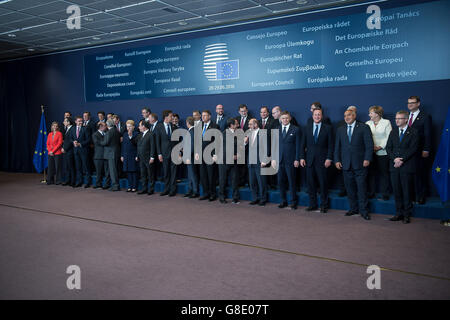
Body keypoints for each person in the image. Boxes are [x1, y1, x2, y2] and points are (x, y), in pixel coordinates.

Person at [334, 109, 374, 220]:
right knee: (350, 189)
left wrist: (367, 159)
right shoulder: (340, 130)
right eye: (345, 115)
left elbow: (369, 145)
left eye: (349, 115)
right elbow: (337, 147)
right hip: (346, 165)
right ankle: (353, 209)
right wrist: (336, 160)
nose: (346, 117)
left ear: (354, 115)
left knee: (361, 189)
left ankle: (364, 211)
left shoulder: (364, 127)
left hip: (360, 164)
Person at [386, 110, 419, 224]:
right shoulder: (393, 132)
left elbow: (413, 149)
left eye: (399, 118)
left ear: (406, 119)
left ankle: (406, 215)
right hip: (394, 166)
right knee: (397, 191)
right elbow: (388, 148)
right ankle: (398, 213)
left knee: (406, 191)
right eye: (396, 118)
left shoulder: (414, 132)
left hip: (407, 166)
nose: (397, 120)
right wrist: (395, 159)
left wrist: (402, 159)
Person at [300, 109, 334, 213]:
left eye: (319, 115)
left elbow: (331, 146)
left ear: (322, 116)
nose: (317, 116)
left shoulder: (328, 128)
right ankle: (312, 204)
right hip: (309, 161)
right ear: (312, 115)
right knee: (311, 184)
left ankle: (324, 205)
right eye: (315, 115)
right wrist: (301, 157)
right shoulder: (307, 128)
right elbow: (302, 145)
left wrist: (329, 158)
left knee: (323, 184)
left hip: (323, 161)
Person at [272, 111, 301, 210]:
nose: (285, 120)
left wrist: (297, 159)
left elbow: (298, 146)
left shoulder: (296, 129)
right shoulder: (277, 129)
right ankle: (283, 201)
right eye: (283, 118)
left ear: (290, 119)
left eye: (286, 118)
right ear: (280, 119)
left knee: (291, 182)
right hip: (279, 161)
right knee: (280, 182)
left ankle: (293, 202)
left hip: (291, 160)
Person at [407, 95, 432, 204]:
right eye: (408, 103)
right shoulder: (406, 116)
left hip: (420, 150)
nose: (410, 105)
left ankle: (421, 196)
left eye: (412, 102)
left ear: (418, 104)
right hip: (407, 152)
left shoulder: (425, 116)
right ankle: (411, 196)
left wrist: (426, 149)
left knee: (420, 174)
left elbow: (428, 134)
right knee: (409, 174)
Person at [366, 105, 392, 200]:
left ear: (377, 114)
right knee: (371, 173)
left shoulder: (386, 122)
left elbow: (389, 136)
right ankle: (371, 192)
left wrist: (380, 146)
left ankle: (385, 193)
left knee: (384, 173)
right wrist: (371, 147)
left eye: (371, 113)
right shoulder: (367, 123)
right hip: (371, 152)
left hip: (383, 152)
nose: (369, 115)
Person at [154, 110, 178, 196]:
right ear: (166, 117)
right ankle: (166, 189)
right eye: (171, 116)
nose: (172, 118)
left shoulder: (174, 126)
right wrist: (159, 154)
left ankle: (173, 190)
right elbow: (157, 142)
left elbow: (177, 141)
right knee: (166, 172)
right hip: (164, 153)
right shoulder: (159, 127)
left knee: (173, 172)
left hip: (174, 153)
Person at [218, 118, 240, 204]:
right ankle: (221, 197)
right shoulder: (224, 134)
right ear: (231, 125)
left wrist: (238, 154)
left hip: (234, 161)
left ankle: (235, 197)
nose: (238, 125)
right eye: (236, 124)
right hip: (224, 160)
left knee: (235, 179)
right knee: (223, 179)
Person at [198, 110, 219, 201]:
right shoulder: (200, 126)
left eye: (205, 115)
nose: (203, 117)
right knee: (203, 175)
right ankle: (205, 193)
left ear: (210, 116)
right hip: (201, 155)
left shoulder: (215, 126)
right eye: (202, 115)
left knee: (211, 175)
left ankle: (212, 194)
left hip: (210, 155)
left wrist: (215, 154)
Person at [246, 118, 268, 206]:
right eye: (249, 124)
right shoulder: (248, 133)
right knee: (252, 182)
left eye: (251, 124)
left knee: (261, 181)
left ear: (256, 124)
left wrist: (264, 160)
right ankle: (255, 198)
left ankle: (263, 199)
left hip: (260, 161)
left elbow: (266, 147)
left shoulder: (263, 133)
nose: (249, 126)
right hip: (251, 161)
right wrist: (245, 143)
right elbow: (245, 147)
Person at [136, 120, 156, 195]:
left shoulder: (151, 134)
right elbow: (139, 146)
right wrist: (137, 155)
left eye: (140, 125)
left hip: (148, 158)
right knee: (143, 174)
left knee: (150, 174)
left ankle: (151, 189)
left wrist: (152, 157)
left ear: (144, 126)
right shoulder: (140, 135)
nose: (139, 127)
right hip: (141, 158)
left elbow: (153, 146)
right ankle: (144, 188)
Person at [71, 116, 92, 188]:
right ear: (75, 121)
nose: (81, 122)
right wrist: (73, 142)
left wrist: (80, 144)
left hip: (84, 150)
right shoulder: (73, 129)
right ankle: (79, 181)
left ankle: (87, 182)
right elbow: (70, 138)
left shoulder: (85, 129)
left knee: (86, 167)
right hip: (76, 151)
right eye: (79, 121)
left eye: (81, 121)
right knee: (78, 167)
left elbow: (89, 140)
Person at [101, 119, 121, 191]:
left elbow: (105, 142)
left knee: (113, 171)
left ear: (107, 125)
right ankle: (115, 185)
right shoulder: (116, 131)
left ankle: (115, 186)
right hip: (116, 152)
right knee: (114, 170)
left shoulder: (109, 132)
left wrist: (100, 141)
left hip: (111, 153)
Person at [184, 116, 199, 198]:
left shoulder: (192, 131)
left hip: (191, 156)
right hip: (190, 155)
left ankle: (195, 191)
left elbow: (192, 145)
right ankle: (190, 190)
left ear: (188, 123)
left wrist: (187, 156)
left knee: (192, 174)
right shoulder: (192, 131)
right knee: (190, 174)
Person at [121, 120, 138, 192]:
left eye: (130, 126)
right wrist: (122, 155)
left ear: (133, 127)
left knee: (133, 171)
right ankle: (129, 186)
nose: (128, 128)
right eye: (127, 126)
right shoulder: (124, 134)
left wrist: (130, 136)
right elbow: (123, 145)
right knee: (128, 171)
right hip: (126, 155)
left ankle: (134, 187)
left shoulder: (136, 134)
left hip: (133, 155)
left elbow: (137, 146)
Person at [91, 121, 110, 189]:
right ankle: (98, 184)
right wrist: (106, 142)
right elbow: (97, 143)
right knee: (99, 172)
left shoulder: (106, 133)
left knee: (107, 171)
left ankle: (106, 184)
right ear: (101, 127)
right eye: (105, 126)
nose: (106, 127)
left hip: (106, 155)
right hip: (98, 156)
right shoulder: (95, 134)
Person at [61, 117, 75, 186]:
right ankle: (68, 180)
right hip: (66, 150)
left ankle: (72, 181)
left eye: (65, 121)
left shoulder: (72, 129)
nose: (63, 122)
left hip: (70, 150)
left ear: (69, 122)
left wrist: (65, 148)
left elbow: (70, 141)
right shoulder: (67, 129)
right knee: (67, 166)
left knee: (71, 166)